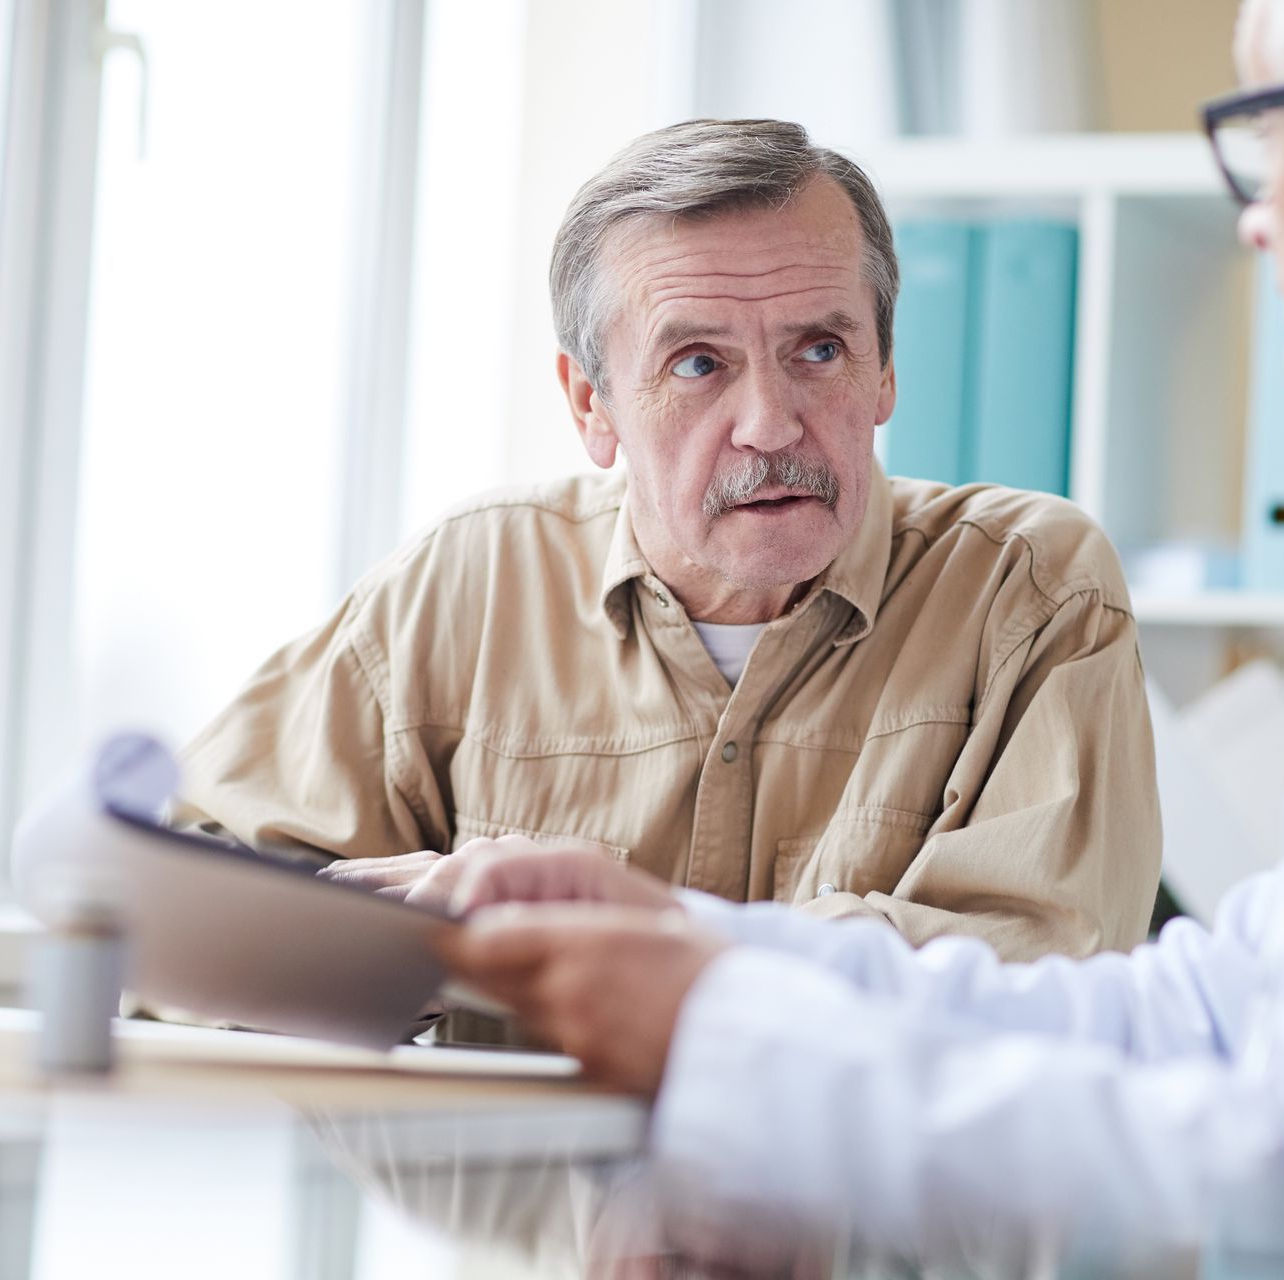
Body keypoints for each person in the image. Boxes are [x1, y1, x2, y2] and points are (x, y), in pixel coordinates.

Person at [438, 0, 1284, 1272]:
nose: (1254, 217)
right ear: (589, 403)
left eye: (1257, 135)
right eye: (698, 363)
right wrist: (691, 942)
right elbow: (1212, 1011)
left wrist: (721, 1033)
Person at [170, 119, 1163, 1041]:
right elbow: (186, 919)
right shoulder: (467, 584)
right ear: (590, 402)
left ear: (886, 370)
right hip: (522, 1222)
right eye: (697, 364)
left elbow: (1045, 988)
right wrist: (398, 955)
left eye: (820, 349)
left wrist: (596, 941)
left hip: (878, 1230)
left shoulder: (1031, 594)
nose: (771, 423)